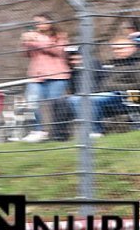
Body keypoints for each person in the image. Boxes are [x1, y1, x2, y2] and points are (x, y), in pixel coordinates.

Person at [50, 26, 140, 140]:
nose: (117, 51)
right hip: (113, 96)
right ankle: (80, 133)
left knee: (89, 99)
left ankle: (96, 132)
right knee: (75, 99)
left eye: (121, 48)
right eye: (115, 49)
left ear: (133, 48)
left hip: (133, 96)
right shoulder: (115, 64)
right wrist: (111, 88)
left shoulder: (137, 63)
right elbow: (105, 85)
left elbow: (137, 85)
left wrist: (116, 87)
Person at [20, 13, 71, 142]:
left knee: (55, 105)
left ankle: (58, 132)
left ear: (50, 22)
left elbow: (57, 51)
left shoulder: (60, 35)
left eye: (41, 21)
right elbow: (25, 54)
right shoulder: (31, 35)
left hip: (57, 75)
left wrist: (37, 40)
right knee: (30, 102)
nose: (38, 24)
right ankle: (37, 130)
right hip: (36, 75)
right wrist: (25, 41)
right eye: (36, 22)